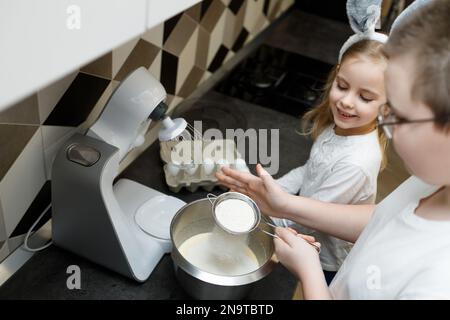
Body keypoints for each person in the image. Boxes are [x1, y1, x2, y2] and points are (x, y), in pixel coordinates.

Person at [216, 0, 450, 299]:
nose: (388, 127)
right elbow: (384, 219)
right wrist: (281, 202)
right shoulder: (429, 184)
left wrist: (310, 271)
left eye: (400, 116)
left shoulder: (439, 283)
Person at [273, 0, 388, 284]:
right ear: (336, 73)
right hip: (303, 224)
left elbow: (312, 213)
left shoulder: (357, 162)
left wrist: (268, 217)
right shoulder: (337, 126)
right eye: (343, 86)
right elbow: (308, 170)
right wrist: (274, 189)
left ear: (388, 105)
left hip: (325, 257)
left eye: (365, 97)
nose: (347, 102)